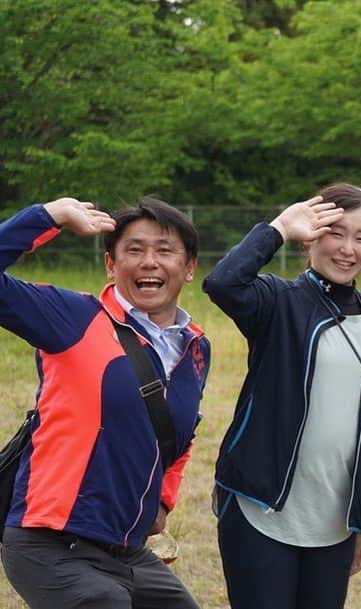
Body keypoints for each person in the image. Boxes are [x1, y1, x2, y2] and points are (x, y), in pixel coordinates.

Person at [0, 197, 209, 609]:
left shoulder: (196, 348)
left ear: (188, 269)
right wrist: (49, 215)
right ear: (111, 266)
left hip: (126, 551)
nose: (149, 261)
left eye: (165, 250)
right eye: (134, 250)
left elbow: (183, 435)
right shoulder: (73, 317)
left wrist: (163, 500)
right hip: (49, 543)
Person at [203, 183, 361, 609]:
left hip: (333, 525)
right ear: (312, 236)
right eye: (336, 232)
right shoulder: (278, 301)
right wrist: (278, 229)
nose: (347, 249)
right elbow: (222, 283)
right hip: (261, 512)